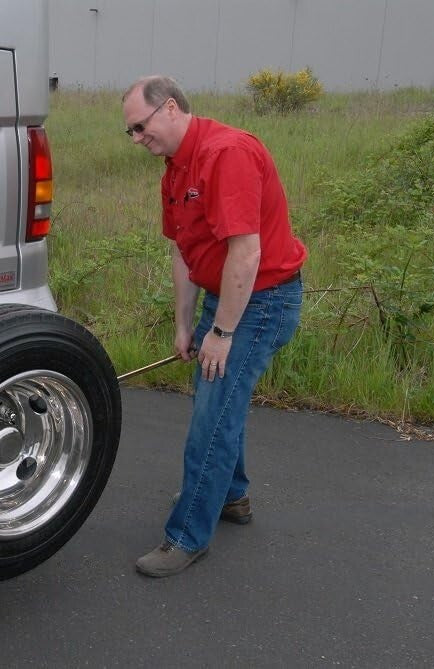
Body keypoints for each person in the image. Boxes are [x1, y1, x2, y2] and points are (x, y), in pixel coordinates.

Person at [122, 75, 307, 578]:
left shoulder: (228, 154)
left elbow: (246, 255)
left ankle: (186, 537)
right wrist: (186, 325)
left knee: (212, 417)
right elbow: (184, 252)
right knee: (221, 402)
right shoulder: (174, 168)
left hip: (261, 303)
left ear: (172, 109)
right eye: (131, 132)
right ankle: (233, 496)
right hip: (223, 298)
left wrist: (221, 334)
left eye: (141, 127)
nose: (138, 139)